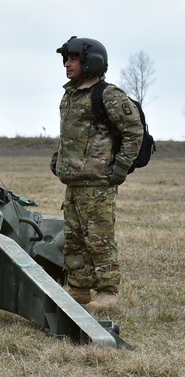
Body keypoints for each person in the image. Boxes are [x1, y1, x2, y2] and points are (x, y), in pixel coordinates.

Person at [52, 36, 142, 313]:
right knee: (75, 239)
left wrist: (121, 167)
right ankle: (79, 289)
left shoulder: (107, 95)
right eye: (66, 59)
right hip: (75, 183)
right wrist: (59, 158)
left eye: (73, 59)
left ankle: (107, 293)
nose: (67, 64)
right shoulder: (70, 94)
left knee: (99, 239)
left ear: (91, 62)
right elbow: (71, 134)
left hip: (98, 183)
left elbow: (133, 132)